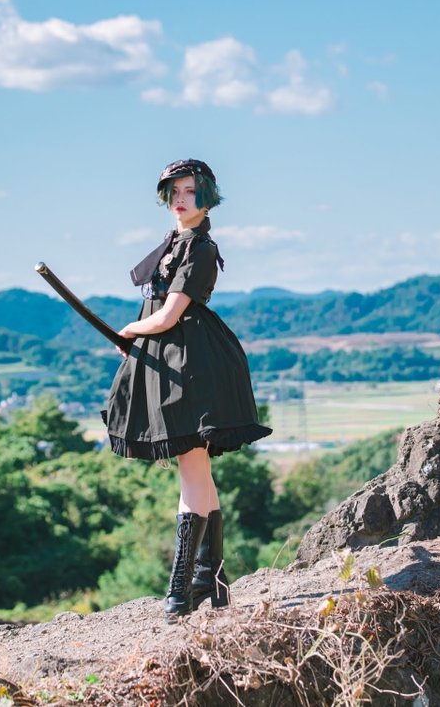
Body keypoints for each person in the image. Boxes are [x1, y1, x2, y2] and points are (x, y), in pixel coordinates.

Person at [102, 158, 272, 619]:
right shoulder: (175, 242)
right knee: (197, 471)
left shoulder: (200, 247)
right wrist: (137, 335)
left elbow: (169, 315)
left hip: (192, 367)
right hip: (174, 360)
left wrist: (130, 331)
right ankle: (210, 581)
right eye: (174, 192)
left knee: (191, 471)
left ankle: (182, 590)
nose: (181, 199)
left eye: (190, 191)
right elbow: (159, 314)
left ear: (207, 196)